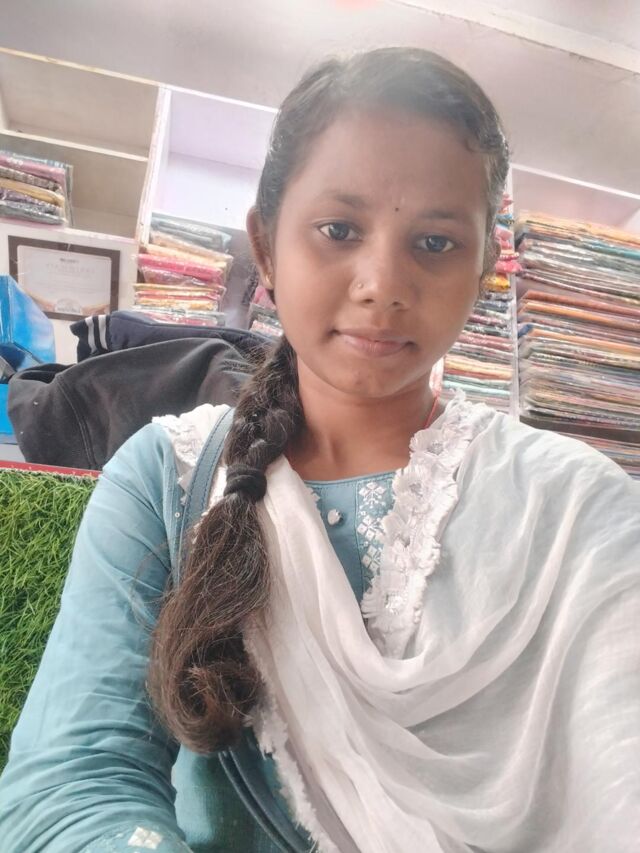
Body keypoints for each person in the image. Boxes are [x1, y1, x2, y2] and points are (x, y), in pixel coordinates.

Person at [0, 47, 638, 853]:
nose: (382, 283)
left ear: (485, 270)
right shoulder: (164, 480)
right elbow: (74, 783)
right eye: (338, 230)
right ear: (266, 248)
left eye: (435, 242)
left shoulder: (580, 510)